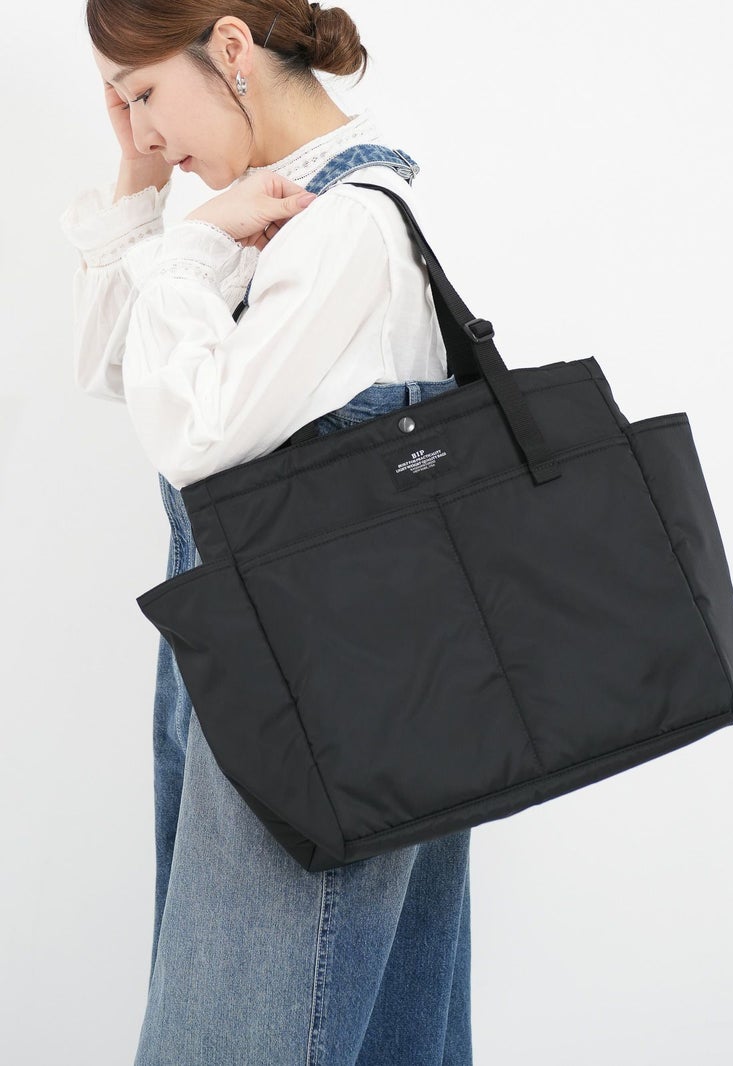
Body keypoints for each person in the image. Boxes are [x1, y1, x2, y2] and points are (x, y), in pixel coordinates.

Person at [58, 3, 472, 1063]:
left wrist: (191, 247)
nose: (144, 128)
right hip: (294, 688)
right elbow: (116, 367)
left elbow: (198, 437)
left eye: (147, 94)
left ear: (232, 49)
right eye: (123, 105)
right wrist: (145, 186)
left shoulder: (341, 228)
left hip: (319, 702)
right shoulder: (275, 212)